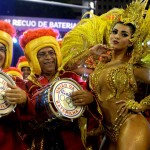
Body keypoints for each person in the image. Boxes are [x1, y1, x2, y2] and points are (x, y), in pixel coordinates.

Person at [19, 27, 98, 150]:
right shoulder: (26, 85)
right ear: (34, 58)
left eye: (52, 53)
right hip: (39, 142)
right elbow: (22, 120)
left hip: (70, 141)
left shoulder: (70, 77)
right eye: (42, 54)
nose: (49, 57)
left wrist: (90, 99)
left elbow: (90, 109)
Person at [88, 1, 150, 150]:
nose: (116, 36)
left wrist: (141, 105)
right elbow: (68, 68)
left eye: (124, 34)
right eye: (114, 32)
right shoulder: (101, 65)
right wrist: (90, 52)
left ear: (131, 42)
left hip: (131, 124)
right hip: (108, 130)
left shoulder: (133, 67)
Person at [0, 20, 28, 150]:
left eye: (1, 48)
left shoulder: (16, 82)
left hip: (9, 144)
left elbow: (29, 121)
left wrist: (24, 101)